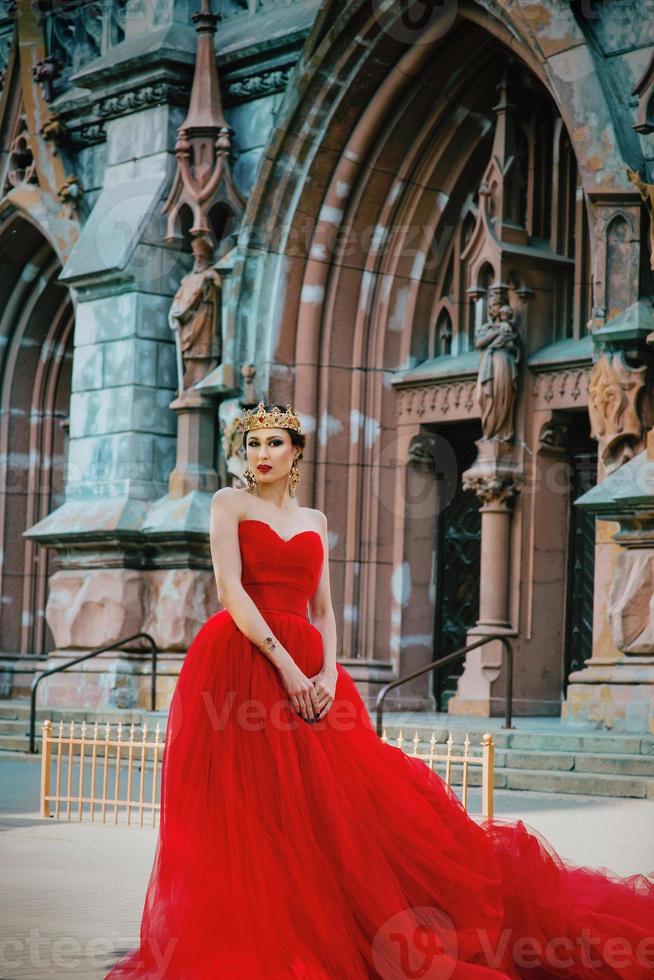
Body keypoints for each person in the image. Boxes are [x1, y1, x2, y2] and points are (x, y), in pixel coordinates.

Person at [106, 402, 654, 980]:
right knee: (250, 809)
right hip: (242, 663)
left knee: (332, 811)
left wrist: (325, 672)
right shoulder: (228, 503)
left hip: (313, 675)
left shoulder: (314, 521)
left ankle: (334, 921)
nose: (261, 455)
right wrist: (289, 669)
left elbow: (323, 607)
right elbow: (230, 592)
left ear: (295, 452)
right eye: (253, 444)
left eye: (273, 444)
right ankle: (256, 936)